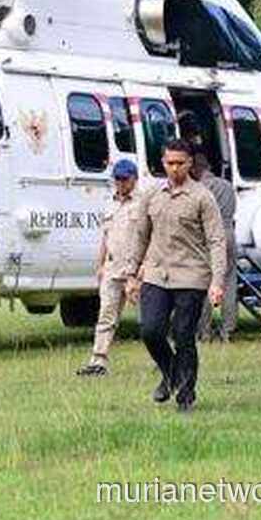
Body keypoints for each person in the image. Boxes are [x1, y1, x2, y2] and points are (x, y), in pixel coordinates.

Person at [126, 139, 226, 413]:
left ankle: (185, 395)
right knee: (151, 330)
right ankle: (170, 374)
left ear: (190, 163)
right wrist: (131, 275)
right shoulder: (151, 194)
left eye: (180, 163)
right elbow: (140, 236)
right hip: (156, 274)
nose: (174, 168)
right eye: (169, 163)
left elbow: (217, 241)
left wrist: (217, 282)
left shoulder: (202, 197)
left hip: (191, 276)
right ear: (163, 163)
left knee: (183, 336)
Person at [76, 159, 143, 377]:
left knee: (152, 317)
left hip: (136, 268)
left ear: (134, 178)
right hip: (112, 267)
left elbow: (149, 238)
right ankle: (98, 361)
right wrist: (100, 265)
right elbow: (105, 237)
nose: (120, 183)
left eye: (125, 179)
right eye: (117, 179)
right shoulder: (110, 203)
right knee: (106, 316)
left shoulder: (143, 204)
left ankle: (164, 358)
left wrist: (141, 270)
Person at [193, 152, 238, 342]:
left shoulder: (201, 188)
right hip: (229, 233)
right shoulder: (228, 186)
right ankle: (228, 329)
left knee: (207, 283)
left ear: (195, 169)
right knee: (229, 283)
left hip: (211, 236)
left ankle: (204, 331)